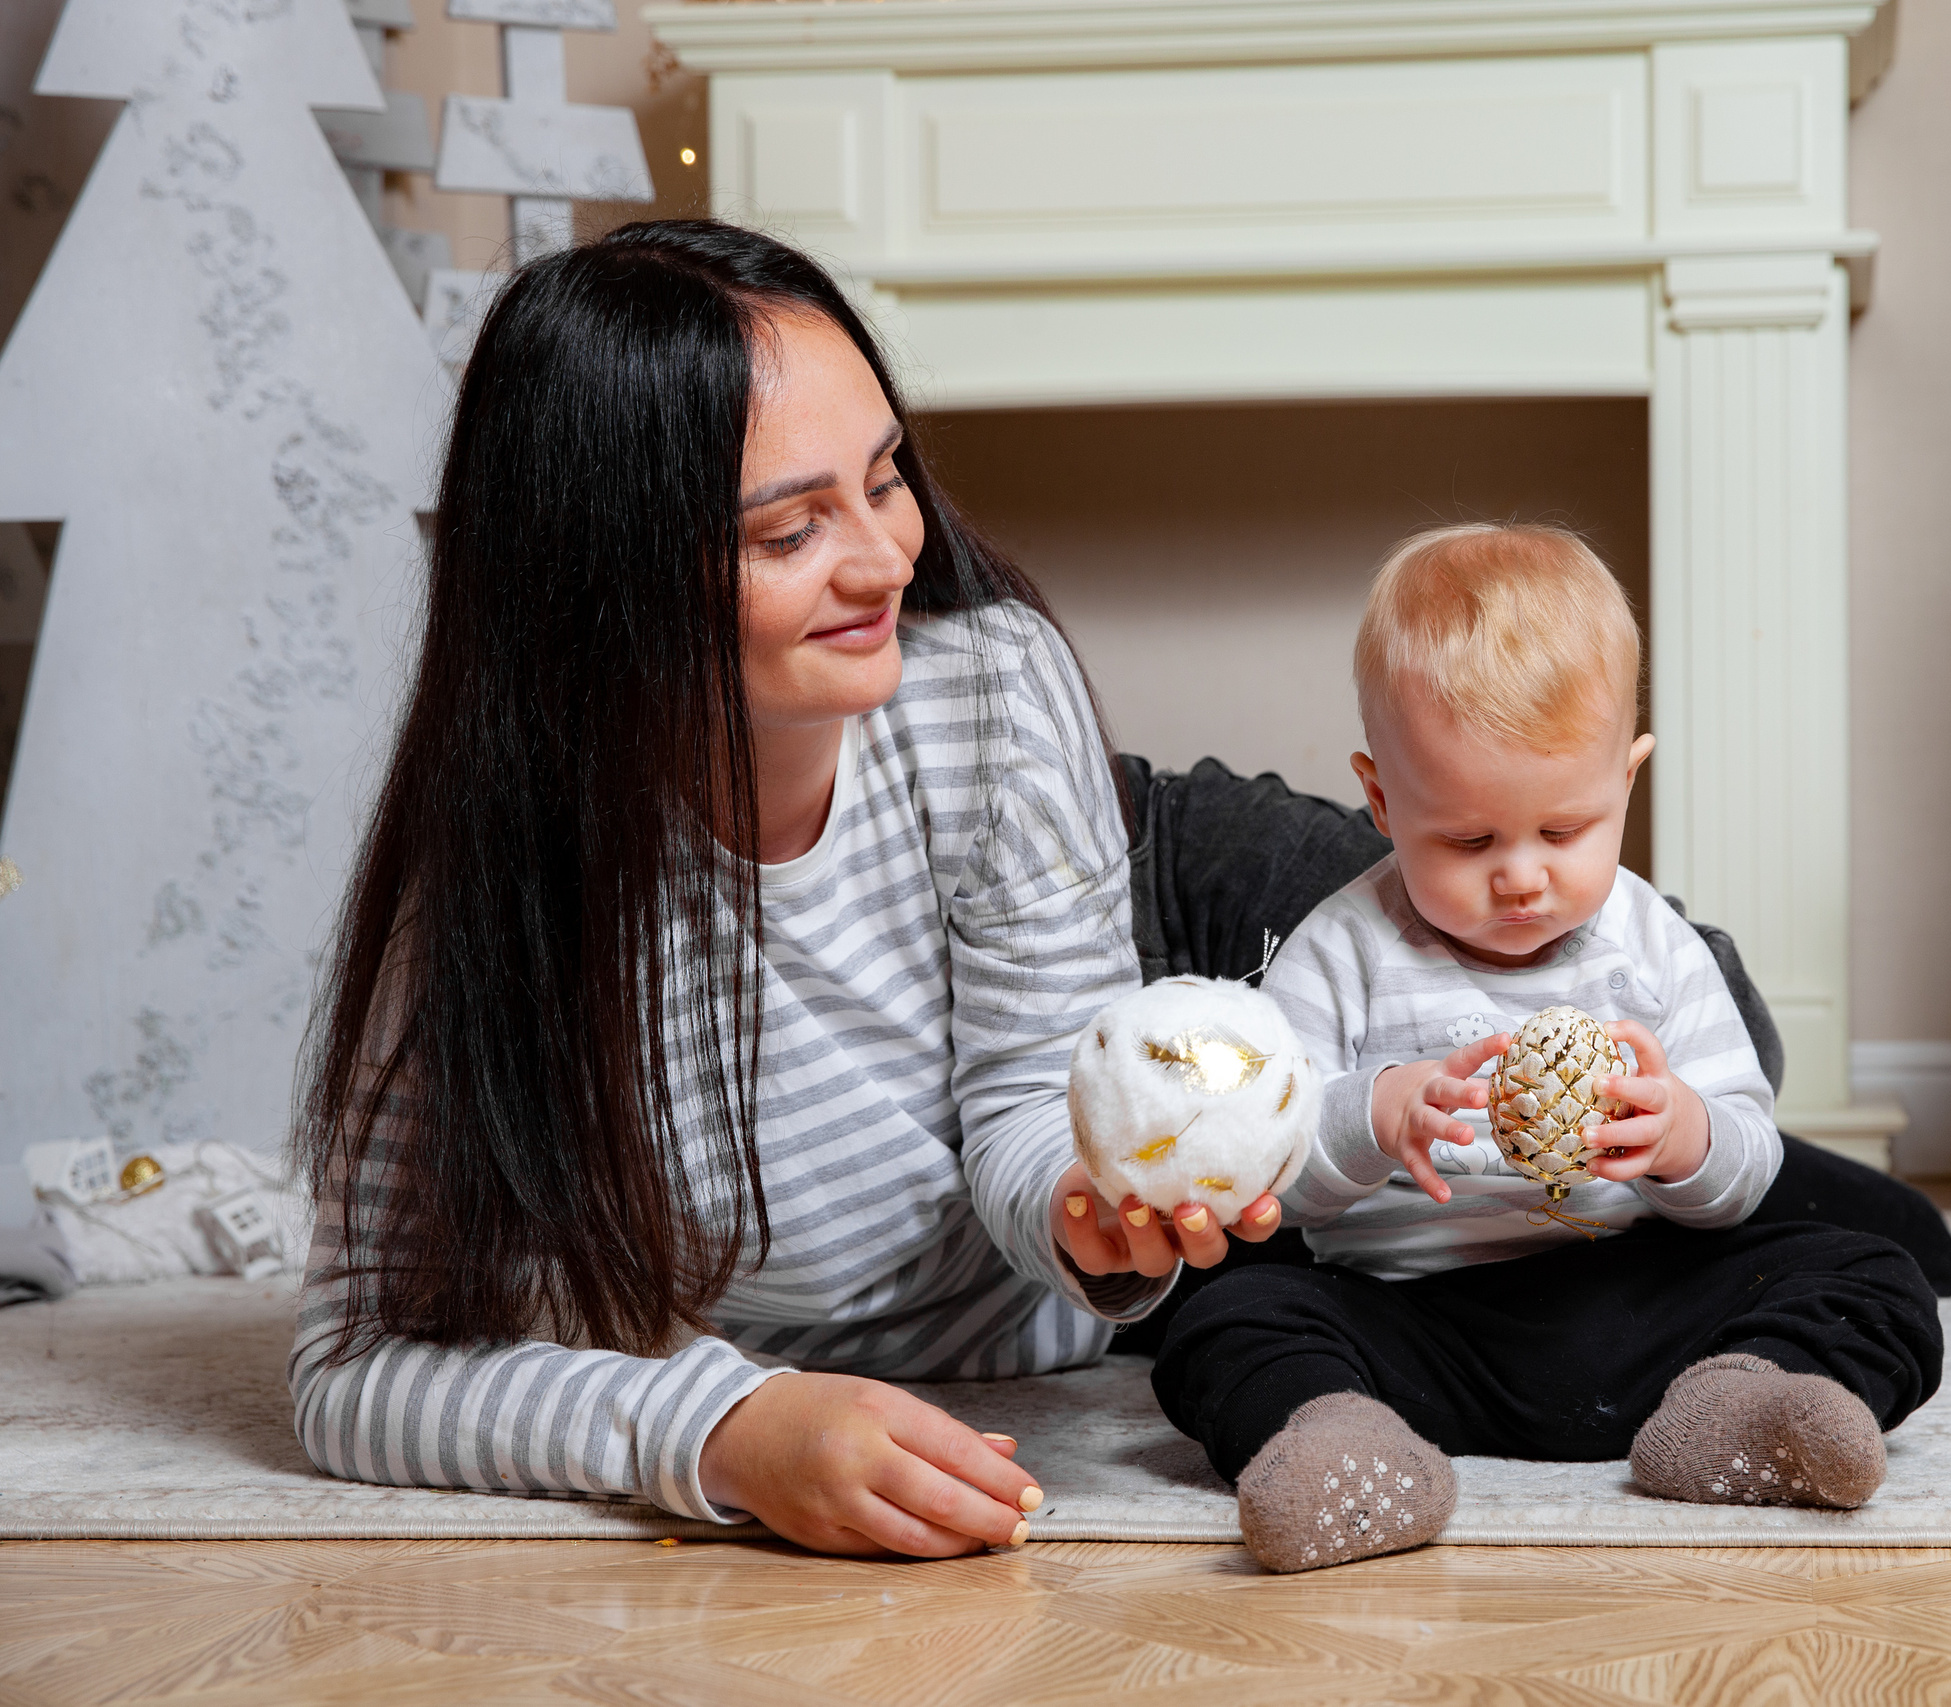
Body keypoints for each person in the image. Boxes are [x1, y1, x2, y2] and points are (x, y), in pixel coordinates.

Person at [289, 220, 1279, 1558]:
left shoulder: (989, 682)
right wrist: (722, 1427)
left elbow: (1032, 1092)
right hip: (988, 904)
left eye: (886, 480)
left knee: (1559, 978)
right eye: (794, 528)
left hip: (1134, 873)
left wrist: (1087, 1204)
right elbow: (356, 1368)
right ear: (604, 577)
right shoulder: (492, 897)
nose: (887, 562)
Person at [1148, 523, 1945, 1573]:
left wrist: (1684, 1136)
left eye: (1563, 832)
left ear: (1626, 780)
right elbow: (1274, 1173)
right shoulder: (1340, 947)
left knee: (1873, 1274)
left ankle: (1735, 1407)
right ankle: (1345, 1441)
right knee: (1226, 1315)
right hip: (1412, 1327)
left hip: (1629, 1297)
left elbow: (1748, 1166)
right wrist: (1374, 1114)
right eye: (1469, 841)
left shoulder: (1652, 943)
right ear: (1383, 801)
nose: (1520, 877)